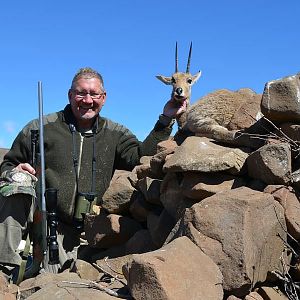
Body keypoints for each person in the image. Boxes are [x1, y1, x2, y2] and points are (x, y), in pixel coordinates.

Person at [0, 67, 187, 279]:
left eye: (94, 94)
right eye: (81, 93)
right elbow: (7, 165)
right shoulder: (41, 127)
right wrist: (13, 171)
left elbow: (141, 157)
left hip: (86, 231)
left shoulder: (116, 133)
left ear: (104, 98)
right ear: (70, 95)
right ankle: (4, 268)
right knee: (16, 184)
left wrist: (165, 120)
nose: (87, 100)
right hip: (45, 222)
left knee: (64, 278)